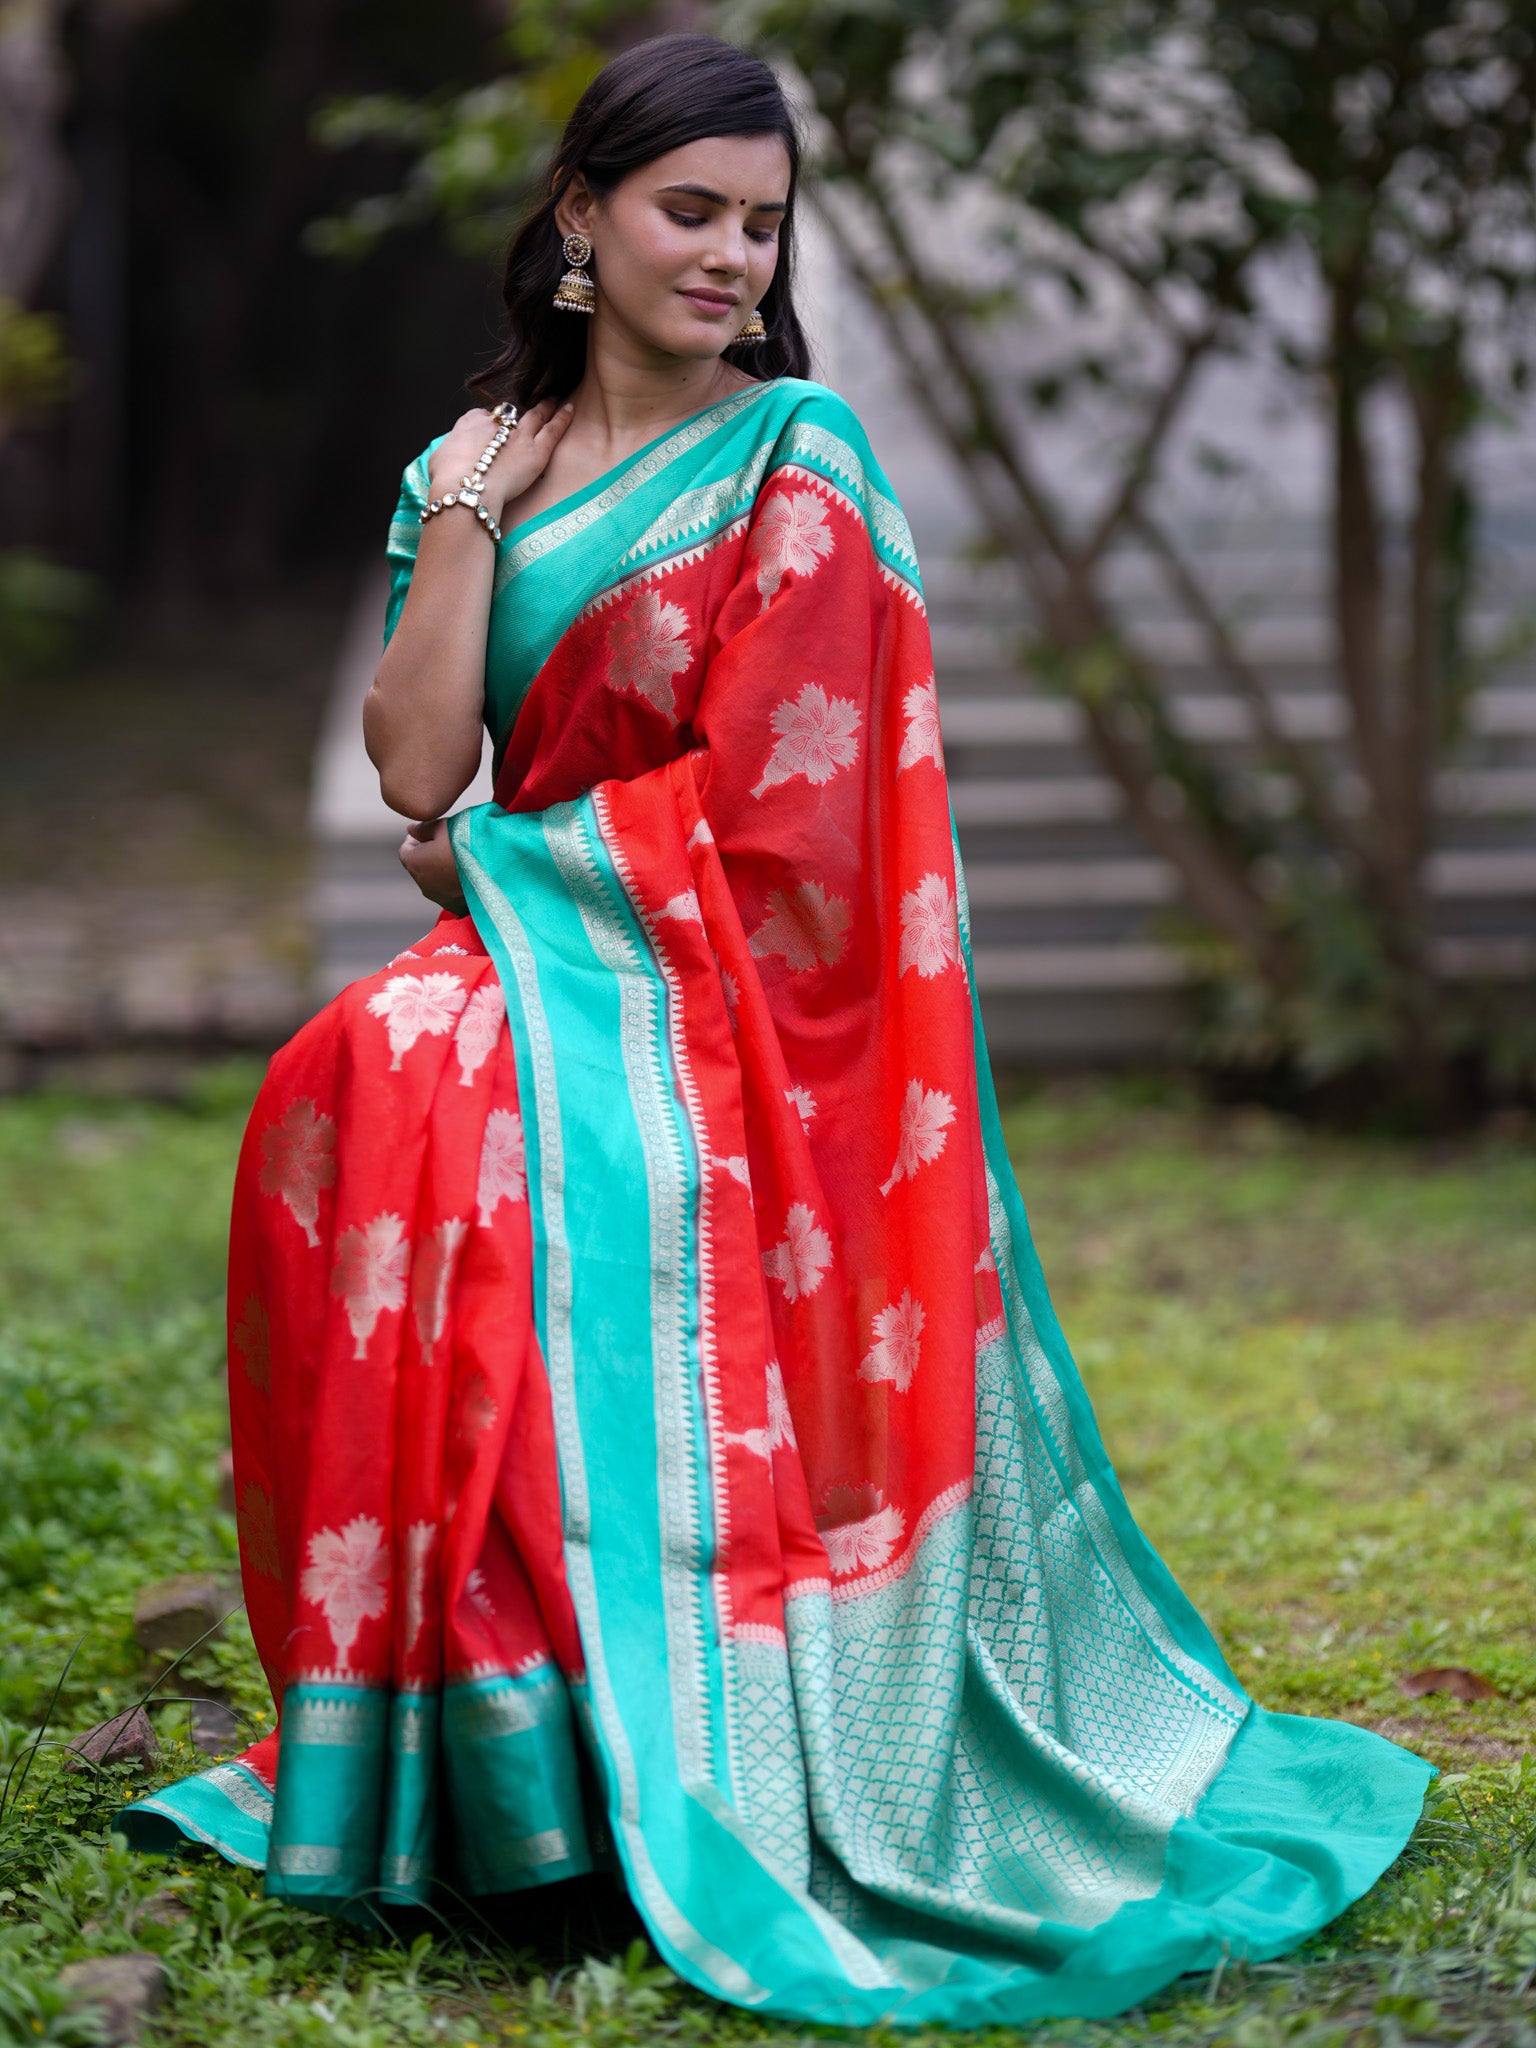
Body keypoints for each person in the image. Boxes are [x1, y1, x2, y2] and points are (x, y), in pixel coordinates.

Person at [119, 33, 1432, 2028]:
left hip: (731, 990)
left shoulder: (795, 459)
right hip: (567, 959)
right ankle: (489, 1748)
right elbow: (413, 763)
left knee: (443, 1080)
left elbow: (810, 833)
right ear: (579, 217)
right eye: (690, 210)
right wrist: (471, 507)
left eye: (761, 221)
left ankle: (648, 1719)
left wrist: (511, 876)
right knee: (351, 1076)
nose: (732, 253)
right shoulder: (466, 466)